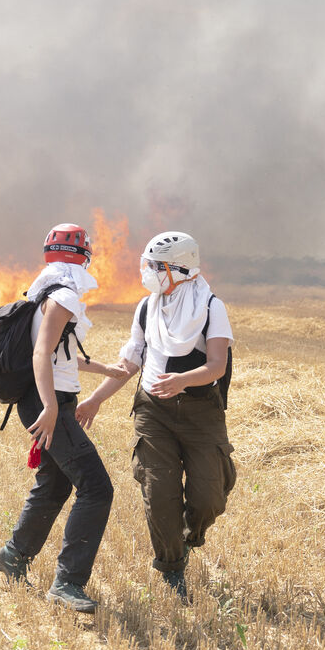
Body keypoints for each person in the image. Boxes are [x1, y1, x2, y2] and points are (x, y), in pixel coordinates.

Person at [75, 231, 236, 602]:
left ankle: (189, 536)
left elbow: (216, 365)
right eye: (147, 264)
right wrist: (96, 399)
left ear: (178, 269)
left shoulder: (211, 307)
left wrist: (182, 381)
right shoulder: (147, 308)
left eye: (155, 266)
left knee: (209, 496)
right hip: (153, 411)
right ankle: (172, 565)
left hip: (201, 412)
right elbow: (130, 363)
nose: (147, 272)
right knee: (158, 490)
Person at [0, 223, 128, 614]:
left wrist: (104, 369)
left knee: (55, 484)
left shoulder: (44, 290)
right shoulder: (64, 294)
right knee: (96, 487)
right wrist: (50, 408)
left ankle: (13, 555)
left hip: (47, 398)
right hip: (48, 402)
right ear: (82, 257)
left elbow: (58, 354)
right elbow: (41, 353)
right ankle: (68, 583)